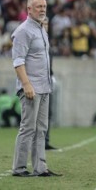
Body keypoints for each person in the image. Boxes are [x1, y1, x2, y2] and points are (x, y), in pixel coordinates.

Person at [11, 0, 62, 177]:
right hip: (31, 87)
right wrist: (26, 85)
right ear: (29, 10)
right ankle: (19, 168)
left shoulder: (41, 29)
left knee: (41, 129)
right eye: (38, 6)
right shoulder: (23, 31)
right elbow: (18, 61)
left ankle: (40, 168)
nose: (42, 10)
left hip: (44, 86)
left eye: (44, 6)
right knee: (28, 128)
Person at [42, 16, 58, 150]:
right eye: (43, 23)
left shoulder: (47, 40)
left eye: (47, 23)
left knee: (48, 112)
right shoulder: (35, 39)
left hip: (48, 79)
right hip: (38, 80)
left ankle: (45, 141)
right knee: (37, 114)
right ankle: (37, 142)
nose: (45, 25)